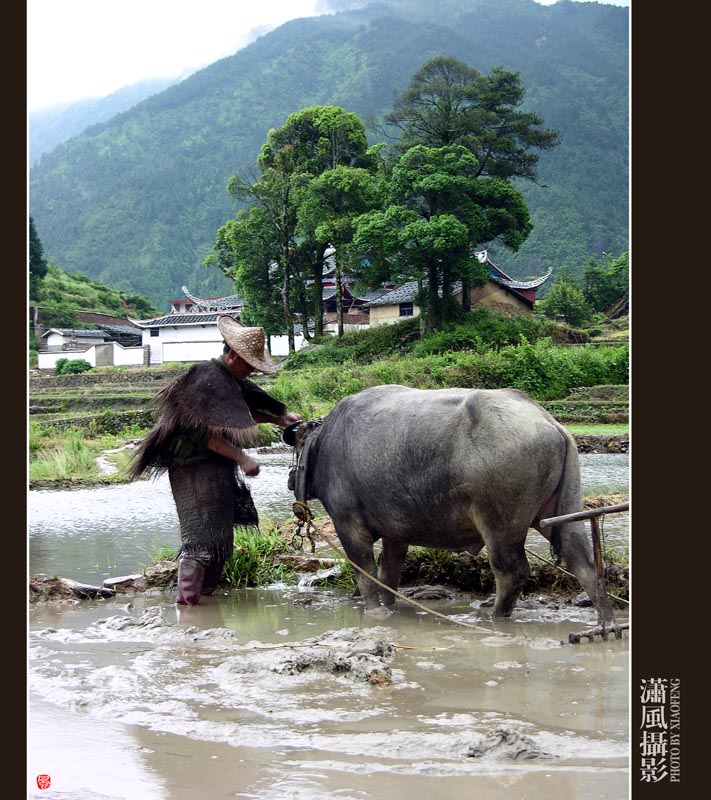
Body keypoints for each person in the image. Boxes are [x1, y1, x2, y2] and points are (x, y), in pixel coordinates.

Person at [129, 315, 302, 605]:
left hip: (217, 466)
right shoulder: (205, 379)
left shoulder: (229, 381)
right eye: (250, 366)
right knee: (199, 541)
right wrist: (242, 457)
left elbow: (237, 412)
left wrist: (279, 419)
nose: (251, 373)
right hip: (192, 467)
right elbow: (204, 434)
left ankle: (203, 604)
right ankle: (188, 607)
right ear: (234, 356)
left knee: (221, 543)